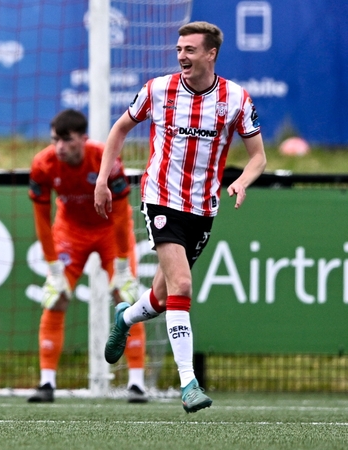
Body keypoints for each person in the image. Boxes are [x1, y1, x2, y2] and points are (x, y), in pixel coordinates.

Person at [94, 21, 266, 413]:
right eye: (178, 49)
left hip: (203, 208)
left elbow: (258, 157)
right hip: (161, 199)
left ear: (211, 54)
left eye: (189, 49)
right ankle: (188, 382)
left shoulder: (236, 99)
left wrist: (242, 181)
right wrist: (103, 178)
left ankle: (125, 317)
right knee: (183, 286)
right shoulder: (158, 89)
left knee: (161, 295)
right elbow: (120, 128)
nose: (182, 56)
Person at [25, 109, 148, 404]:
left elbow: (120, 213)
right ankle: (47, 383)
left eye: (67, 140)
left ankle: (137, 384)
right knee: (56, 299)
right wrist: (54, 267)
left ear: (83, 138)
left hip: (110, 233)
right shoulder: (43, 165)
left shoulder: (105, 159)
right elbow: (42, 218)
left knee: (126, 299)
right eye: (56, 140)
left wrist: (121, 263)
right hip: (70, 234)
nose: (60, 147)